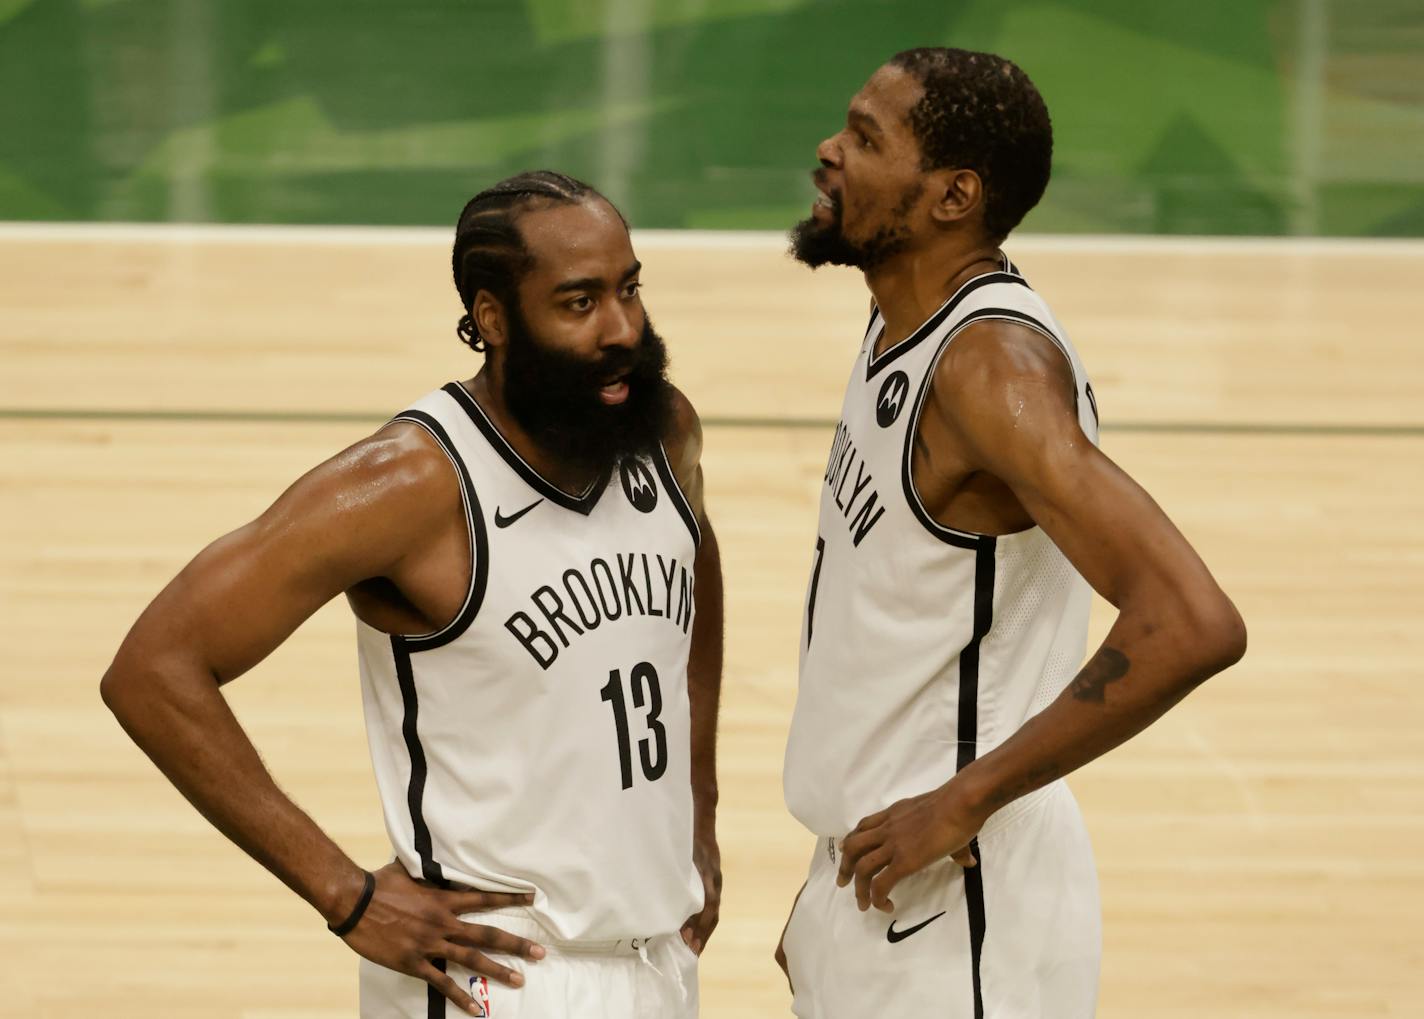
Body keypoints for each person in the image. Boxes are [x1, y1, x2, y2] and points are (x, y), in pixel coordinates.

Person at [101, 170, 723, 1019]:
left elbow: (696, 569)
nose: (622, 327)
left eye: (629, 288)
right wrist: (346, 892)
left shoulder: (661, 429)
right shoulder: (411, 484)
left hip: (658, 962)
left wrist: (700, 809)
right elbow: (154, 668)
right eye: (579, 303)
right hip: (497, 976)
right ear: (493, 318)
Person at [775, 48, 1247, 1018]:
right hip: (879, 884)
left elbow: (1191, 617)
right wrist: (828, 885)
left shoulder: (990, 370)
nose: (830, 151)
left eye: (866, 139)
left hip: (955, 899)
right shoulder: (901, 319)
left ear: (951, 195)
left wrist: (959, 798)